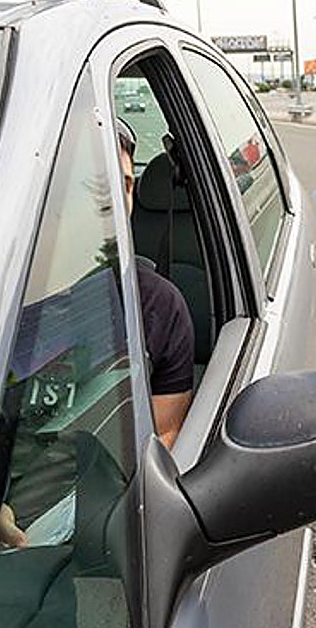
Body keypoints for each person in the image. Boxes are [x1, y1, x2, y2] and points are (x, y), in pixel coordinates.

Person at [115, 117, 194, 451]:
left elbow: (163, 436)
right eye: (96, 182)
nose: (113, 198)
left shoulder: (156, 305)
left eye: (123, 184)